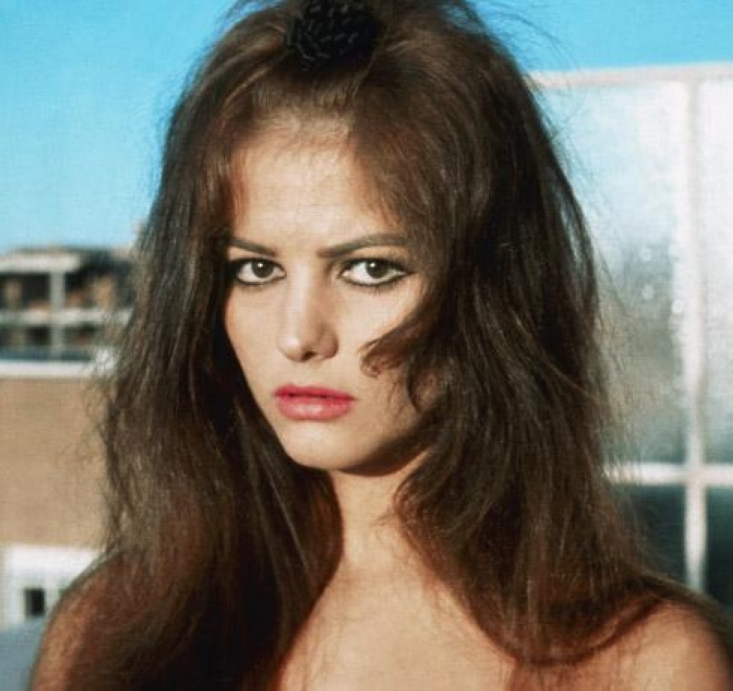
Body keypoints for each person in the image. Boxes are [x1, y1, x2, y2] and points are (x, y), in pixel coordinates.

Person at [30, 0, 733, 688]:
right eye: (256, 269)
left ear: (493, 288)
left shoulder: (645, 665)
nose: (298, 335)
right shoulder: (109, 626)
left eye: (369, 269)